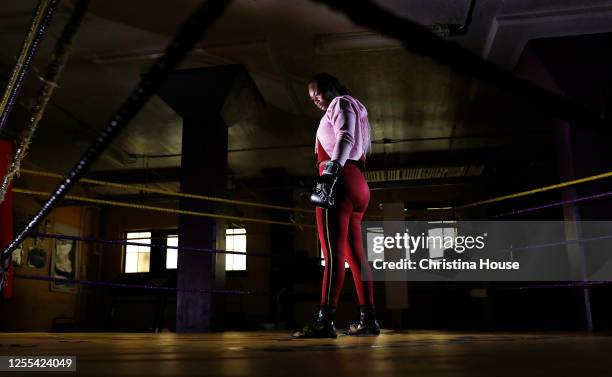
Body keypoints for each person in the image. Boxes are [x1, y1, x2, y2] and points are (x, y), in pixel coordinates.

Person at [292, 73, 380, 338]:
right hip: (357, 184)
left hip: (340, 181)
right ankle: (368, 320)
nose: (315, 99)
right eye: (311, 97)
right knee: (355, 256)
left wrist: (330, 172)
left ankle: (324, 322)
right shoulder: (354, 106)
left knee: (332, 256)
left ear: (330, 87)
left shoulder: (340, 103)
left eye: (317, 92)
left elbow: (345, 138)